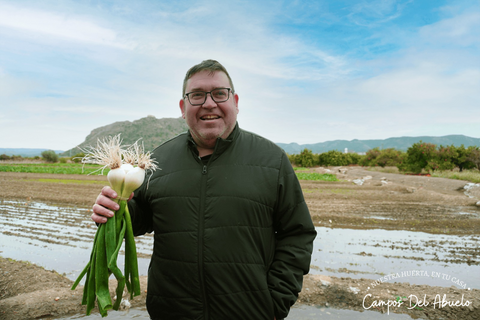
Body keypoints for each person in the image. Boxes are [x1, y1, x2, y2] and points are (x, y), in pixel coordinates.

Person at [92, 59, 317, 320]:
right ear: (183, 106)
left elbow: (297, 234)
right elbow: (139, 219)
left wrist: (275, 302)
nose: (209, 103)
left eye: (220, 93)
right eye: (197, 95)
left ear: (235, 102)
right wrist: (114, 210)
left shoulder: (271, 160)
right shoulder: (156, 161)